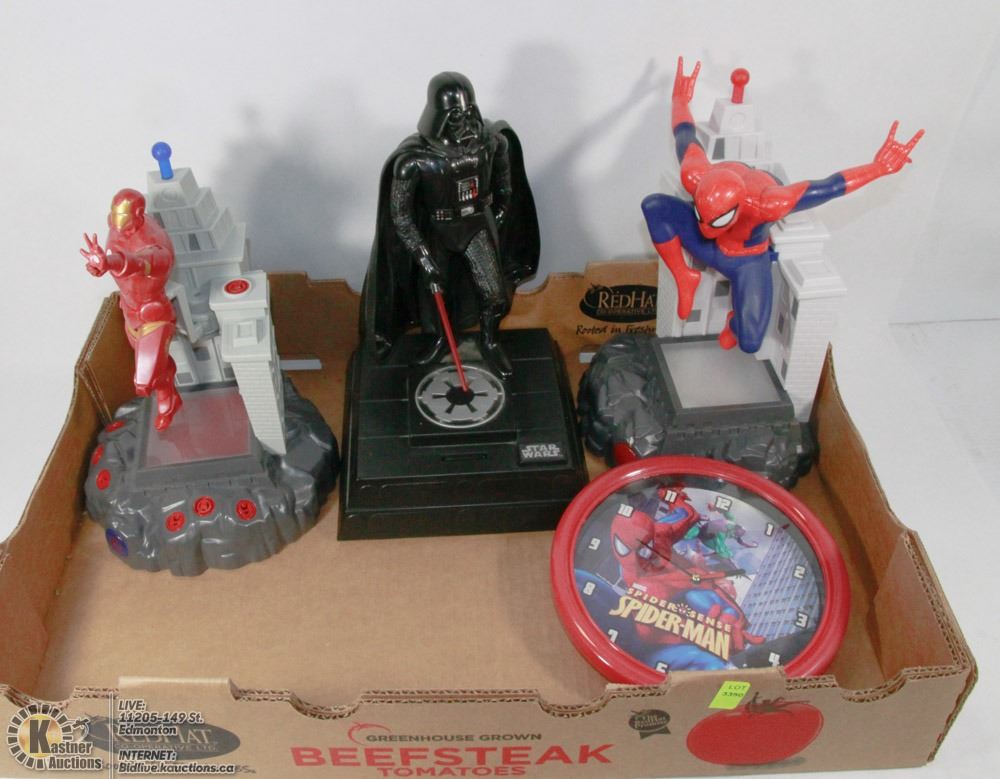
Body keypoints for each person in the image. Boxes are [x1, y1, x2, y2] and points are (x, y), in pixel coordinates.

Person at [643, 57, 923, 353]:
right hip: (711, 248)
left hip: (747, 261)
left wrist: (878, 168)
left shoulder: (768, 203)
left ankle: (734, 323)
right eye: (701, 215)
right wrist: (679, 99)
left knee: (750, 342)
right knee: (653, 206)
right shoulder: (694, 174)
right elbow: (684, 132)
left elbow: (829, 187)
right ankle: (684, 277)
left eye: (716, 220)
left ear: (737, 208)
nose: (705, 227)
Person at [365, 72, 539, 379]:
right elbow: (401, 216)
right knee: (434, 296)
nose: (466, 122)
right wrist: (422, 256)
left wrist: (496, 217)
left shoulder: (491, 144)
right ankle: (440, 340)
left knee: (494, 294)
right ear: (439, 116)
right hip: (437, 230)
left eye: (470, 111)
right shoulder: (414, 161)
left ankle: (489, 340)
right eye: (456, 115)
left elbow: (505, 185)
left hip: (477, 226)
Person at [81, 189, 182, 430]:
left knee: (143, 383)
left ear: (137, 214)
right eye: (114, 215)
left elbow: (136, 261)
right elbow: (111, 257)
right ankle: (169, 399)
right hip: (130, 312)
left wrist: (109, 262)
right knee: (158, 370)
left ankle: (166, 396)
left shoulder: (155, 243)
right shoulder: (116, 228)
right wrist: (99, 265)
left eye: (123, 216)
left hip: (153, 314)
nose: (117, 222)